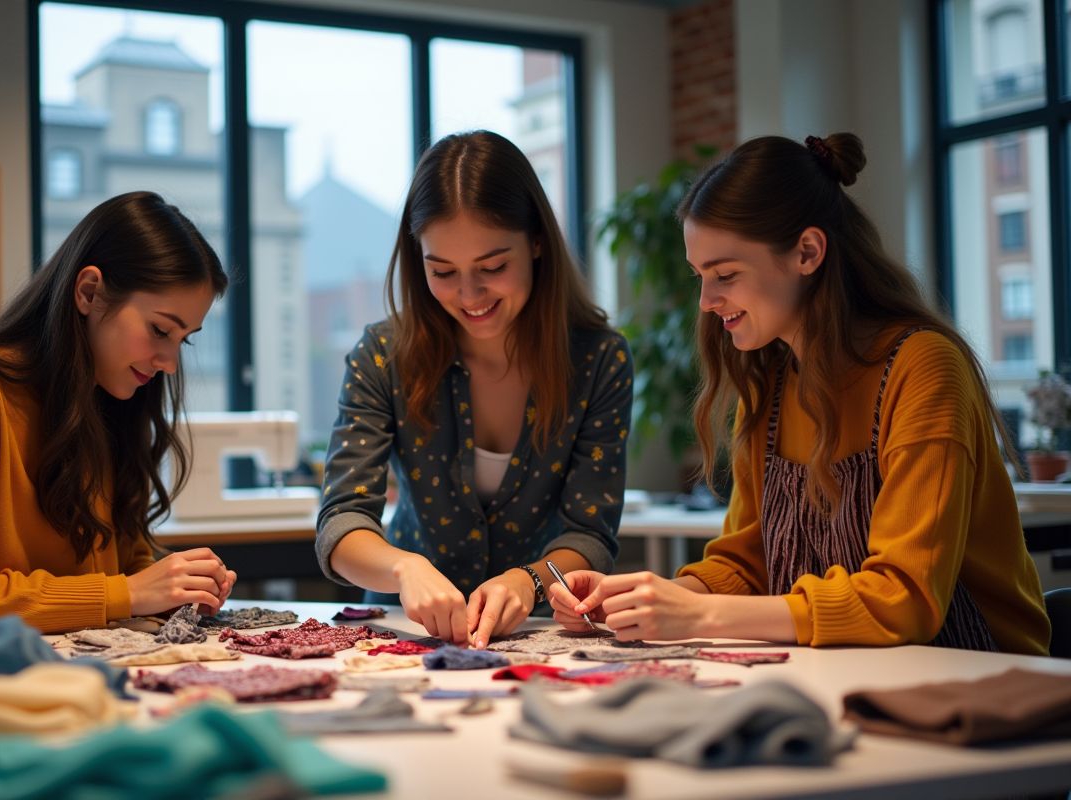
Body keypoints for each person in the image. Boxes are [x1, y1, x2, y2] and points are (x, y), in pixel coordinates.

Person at [549, 133, 1050, 655]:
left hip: (980, 675)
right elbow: (744, 566)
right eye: (700, 276)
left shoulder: (923, 368)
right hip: (851, 670)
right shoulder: (766, 383)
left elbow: (905, 598)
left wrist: (698, 613)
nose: (706, 301)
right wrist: (644, 601)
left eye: (725, 275)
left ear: (807, 252)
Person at [317, 130, 633, 648]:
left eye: (493, 268)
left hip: (538, 632)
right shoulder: (383, 354)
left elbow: (590, 534)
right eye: (442, 271)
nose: (469, 295)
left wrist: (527, 580)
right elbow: (341, 522)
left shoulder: (598, 360)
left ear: (536, 242)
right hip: (406, 632)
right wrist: (402, 569)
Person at [0, 191, 238, 635]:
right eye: (160, 330)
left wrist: (177, 591)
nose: (169, 362)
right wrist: (128, 593)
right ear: (89, 292)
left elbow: (126, 565)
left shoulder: (112, 401)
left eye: (182, 339)